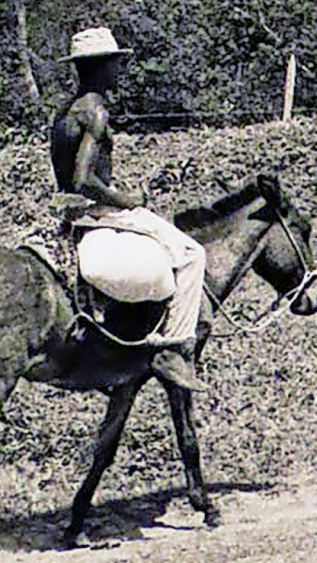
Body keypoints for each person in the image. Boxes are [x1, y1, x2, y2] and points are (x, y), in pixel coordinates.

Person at [50, 27, 208, 391]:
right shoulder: (97, 112)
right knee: (191, 254)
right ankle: (175, 349)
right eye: (115, 64)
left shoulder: (64, 112)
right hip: (97, 210)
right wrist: (128, 200)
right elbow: (84, 179)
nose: (119, 71)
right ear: (101, 67)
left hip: (66, 210)